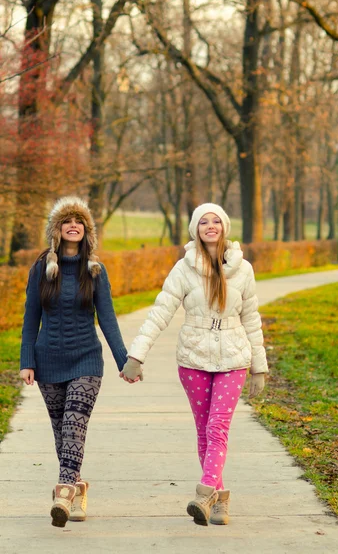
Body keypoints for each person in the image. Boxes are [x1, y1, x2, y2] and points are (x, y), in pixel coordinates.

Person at [120, 203, 268, 526]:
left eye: (216, 221)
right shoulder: (183, 269)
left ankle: (204, 494)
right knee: (204, 432)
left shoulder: (243, 270)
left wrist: (260, 365)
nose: (211, 226)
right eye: (204, 222)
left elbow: (252, 319)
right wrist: (136, 355)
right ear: (196, 229)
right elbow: (160, 312)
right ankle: (221, 498)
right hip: (193, 360)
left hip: (233, 358)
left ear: (225, 227)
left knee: (218, 428)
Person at [19, 196, 129, 528]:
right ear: (57, 229)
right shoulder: (41, 268)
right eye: (67, 221)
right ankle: (77, 488)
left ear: (86, 231)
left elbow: (107, 319)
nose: (73, 225)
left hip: (86, 360)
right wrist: (27, 361)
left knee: (73, 427)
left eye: (79, 221)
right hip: (48, 360)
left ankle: (63, 492)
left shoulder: (95, 270)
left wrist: (126, 361)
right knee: (60, 432)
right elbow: (30, 318)